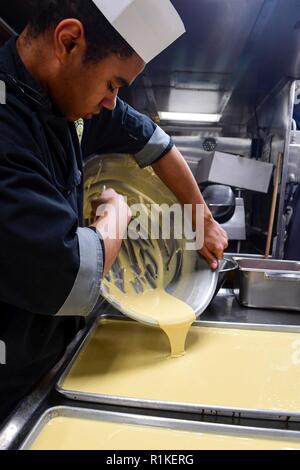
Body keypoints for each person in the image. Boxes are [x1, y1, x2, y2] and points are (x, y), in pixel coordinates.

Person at [0, 0, 228, 423]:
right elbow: (65, 274)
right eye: (112, 84)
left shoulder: (58, 95)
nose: (111, 102)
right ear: (68, 42)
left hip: (48, 362)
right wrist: (116, 218)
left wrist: (203, 220)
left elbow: (153, 140)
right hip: (7, 385)